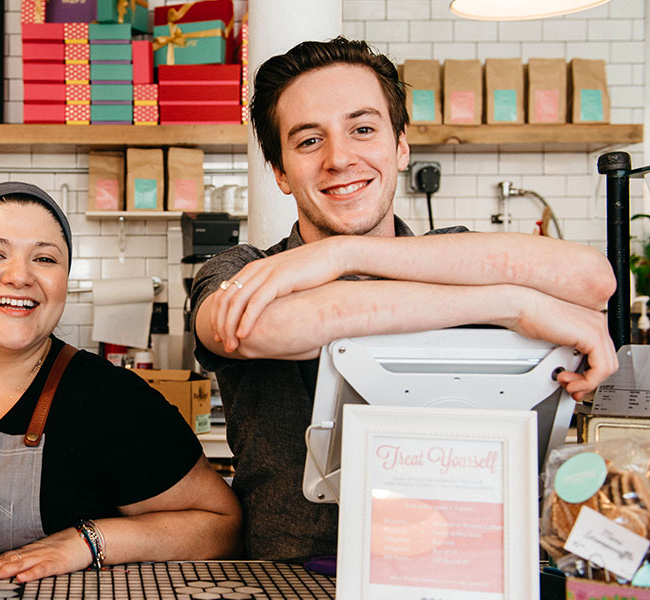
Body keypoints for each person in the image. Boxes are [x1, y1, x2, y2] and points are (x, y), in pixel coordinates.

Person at [190, 37, 618, 561]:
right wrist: (510, 305)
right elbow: (250, 328)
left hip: (459, 567)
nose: (339, 158)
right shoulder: (240, 269)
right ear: (279, 172)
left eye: (363, 129)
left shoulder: (451, 250)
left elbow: (593, 279)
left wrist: (340, 257)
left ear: (400, 147)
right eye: (307, 142)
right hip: (294, 578)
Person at [0, 181, 242, 581]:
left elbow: (222, 525)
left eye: (46, 259)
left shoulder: (112, 401)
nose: (20, 276)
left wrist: (90, 541)